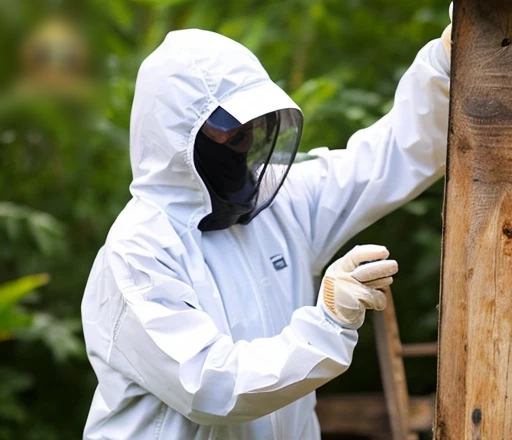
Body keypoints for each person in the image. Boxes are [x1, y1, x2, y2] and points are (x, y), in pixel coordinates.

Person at [81, 11, 452, 440]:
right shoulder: (138, 252)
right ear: (177, 137)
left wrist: (447, 56)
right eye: (232, 131)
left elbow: (392, 156)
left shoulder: (278, 201)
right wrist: (328, 322)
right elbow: (211, 385)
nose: (247, 139)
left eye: (252, 128)